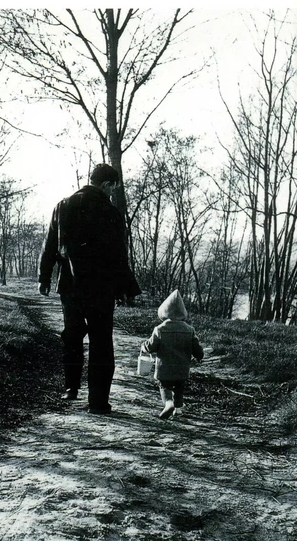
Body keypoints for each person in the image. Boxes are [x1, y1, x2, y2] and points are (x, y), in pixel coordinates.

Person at [39, 163, 141, 414]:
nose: (113, 192)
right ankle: (97, 402)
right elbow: (119, 254)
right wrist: (125, 288)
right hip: (101, 287)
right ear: (107, 184)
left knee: (72, 335)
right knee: (101, 342)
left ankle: (71, 388)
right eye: (113, 187)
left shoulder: (62, 206)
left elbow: (49, 244)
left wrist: (44, 278)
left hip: (70, 285)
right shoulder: (109, 210)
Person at [141, 289, 204, 419]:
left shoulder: (160, 329)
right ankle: (178, 409)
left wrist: (144, 347)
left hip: (165, 367)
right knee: (179, 387)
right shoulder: (189, 330)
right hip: (182, 367)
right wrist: (199, 356)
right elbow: (196, 348)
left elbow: (152, 346)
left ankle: (168, 403)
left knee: (165, 386)